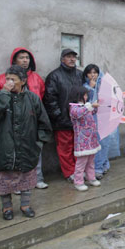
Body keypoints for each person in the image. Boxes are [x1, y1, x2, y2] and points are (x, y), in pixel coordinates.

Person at [0, 65, 52, 220]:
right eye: (7, 79)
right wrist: (4, 93)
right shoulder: (0, 96)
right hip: (3, 146)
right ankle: (6, 208)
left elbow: (44, 124)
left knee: (26, 179)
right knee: (4, 180)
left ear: (23, 81)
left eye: (12, 79)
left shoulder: (33, 98)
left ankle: (25, 206)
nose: (9, 82)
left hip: (27, 147)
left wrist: (38, 144)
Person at [0, 47, 49, 189]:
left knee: (33, 154)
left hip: (30, 123)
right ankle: (15, 186)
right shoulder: (2, 80)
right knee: (14, 156)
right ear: (14, 60)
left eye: (27, 57)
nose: (25, 60)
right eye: (21, 57)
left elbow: (42, 95)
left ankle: (37, 179)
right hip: (9, 125)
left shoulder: (36, 78)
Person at [43, 49, 83, 181]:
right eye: (69, 57)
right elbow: (49, 98)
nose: (72, 59)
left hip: (79, 119)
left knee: (79, 147)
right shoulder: (54, 76)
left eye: (74, 57)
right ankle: (69, 173)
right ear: (62, 59)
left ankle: (79, 171)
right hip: (62, 120)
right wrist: (58, 115)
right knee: (65, 148)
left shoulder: (80, 75)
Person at [82, 64, 121, 180]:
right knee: (95, 144)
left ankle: (103, 164)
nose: (93, 75)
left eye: (95, 72)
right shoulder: (84, 87)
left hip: (104, 120)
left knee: (105, 143)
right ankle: (96, 168)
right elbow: (85, 103)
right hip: (91, 121)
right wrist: (90, 88)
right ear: (86, 75)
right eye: (90, 72)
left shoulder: (103, 86)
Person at [69, 86, 102, 191]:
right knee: (81, 163)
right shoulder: (74, 108)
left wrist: (95, 105)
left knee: (91, 161)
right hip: (82, 141)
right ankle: (78, 182)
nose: (87, 96)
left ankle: (91, 177)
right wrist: (91, 105)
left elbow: (92, 111)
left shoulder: (85, 106)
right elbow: (78, 113)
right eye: (85, 95)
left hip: (91, 139)